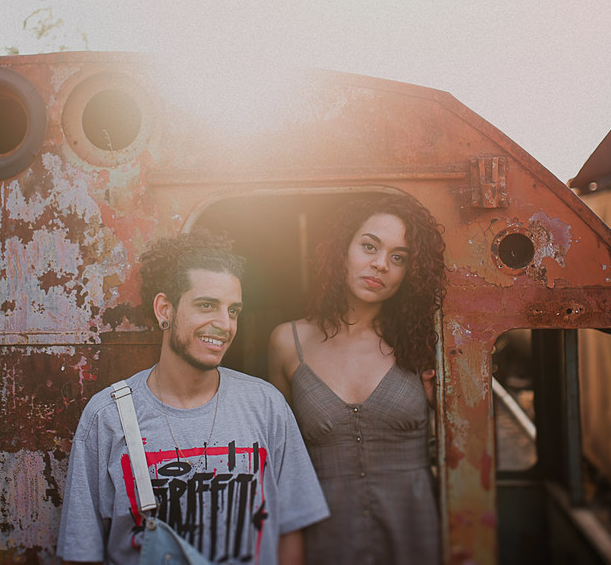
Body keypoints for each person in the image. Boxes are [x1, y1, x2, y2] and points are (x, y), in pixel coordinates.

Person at [58, 230, 329, 565]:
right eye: (207, 305)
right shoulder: (108, 416)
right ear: (164, 310)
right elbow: (82, 551)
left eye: (233, 311)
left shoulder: (266, 405)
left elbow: (290, 530)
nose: (224, 324)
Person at [268, 193, 447, 565]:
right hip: (324, 539)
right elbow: (278, 460)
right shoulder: (288, 342)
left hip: (417, 534)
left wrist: (439, 406)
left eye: (398, 258)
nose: (380, 264)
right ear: (342, 250)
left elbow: (470, 443)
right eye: (369, 246)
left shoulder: (428, 342)